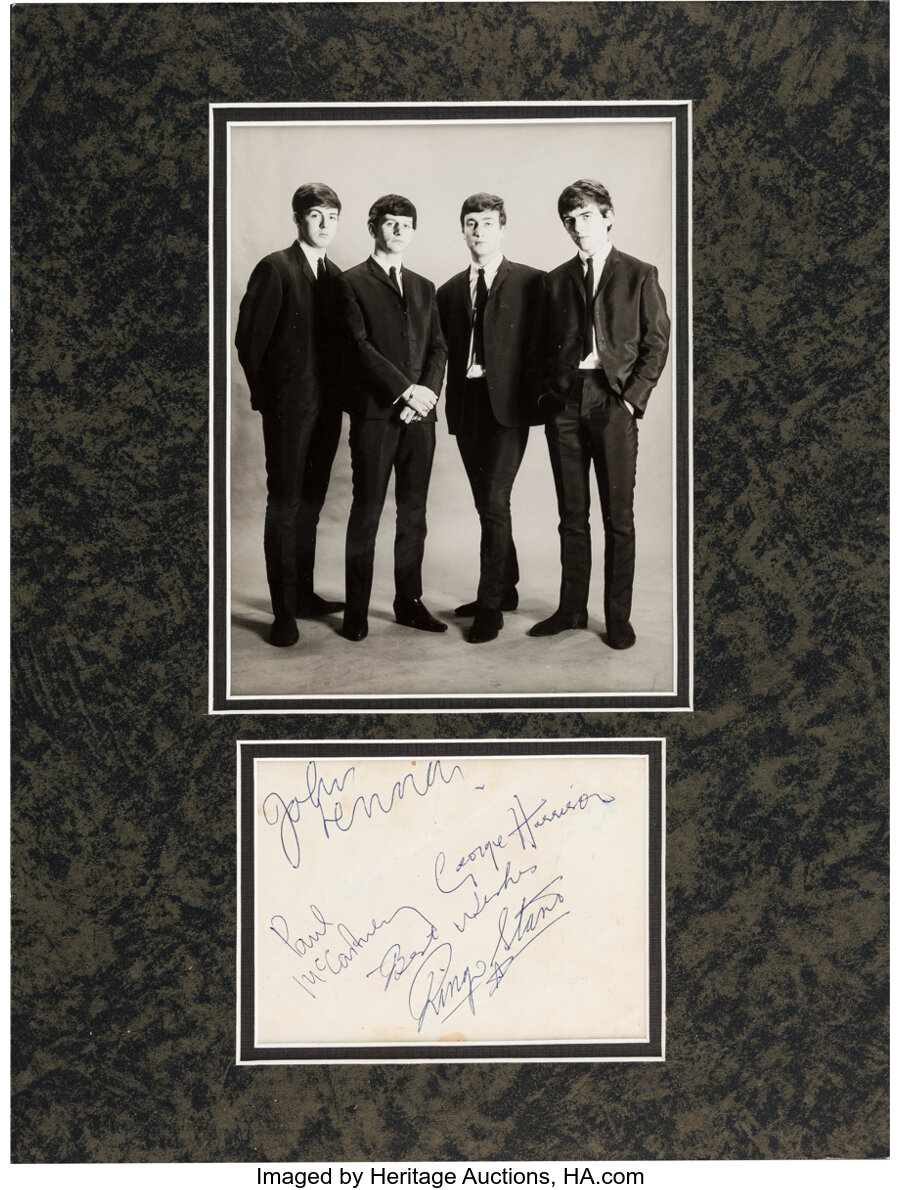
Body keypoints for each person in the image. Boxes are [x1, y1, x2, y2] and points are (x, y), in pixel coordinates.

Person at [531, 179, 670, 649]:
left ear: (608, 216)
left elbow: (656, 342)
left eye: (586, 216)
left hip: (614, 403)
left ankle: (617, 617)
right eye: (569, 220)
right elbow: (539, 347)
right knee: (571, 515)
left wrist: (632, 399)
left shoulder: (639, 273)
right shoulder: (554, 280)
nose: (576, 226)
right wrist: (551, 396)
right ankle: (571, 610)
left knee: (619, 518)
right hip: (567, 403)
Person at [234, 182, 345, 648]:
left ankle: (303, 594)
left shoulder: (334, 273)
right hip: (289, 410)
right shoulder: (275, 267)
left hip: (327, 411)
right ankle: (283, 613)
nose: (325, 224)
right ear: (298, 219)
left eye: (332, 216)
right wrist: (271, 399)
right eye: (316, 215)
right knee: (284, 506)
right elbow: (248, 341)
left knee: (312, 504)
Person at [335, 194, 448, 642]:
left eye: (406, 224)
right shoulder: (350, 282)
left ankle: (409, 603)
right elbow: (357, 346)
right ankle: (356, 612)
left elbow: (439, 347)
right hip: (375, 417)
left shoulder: (424, 286)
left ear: (414, 231)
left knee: (414, 514)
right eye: (390, 223)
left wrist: (427, 395)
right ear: (373, 228)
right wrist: (405, 390)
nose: (399, 230)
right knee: (367, 512)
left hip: (421, 418)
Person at [437, 194, 545, 644]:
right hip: (467, 407)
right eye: (470, 223)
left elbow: (545, 345)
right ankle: (507, 587)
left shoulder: (533, 283)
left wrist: (538, 398)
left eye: (487, 223)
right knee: (488, 504)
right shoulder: (447, 291)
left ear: (503, 229)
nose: (478, 231)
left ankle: (490, 605)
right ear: (462, 231)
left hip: (508, 410)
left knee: (495, 503)